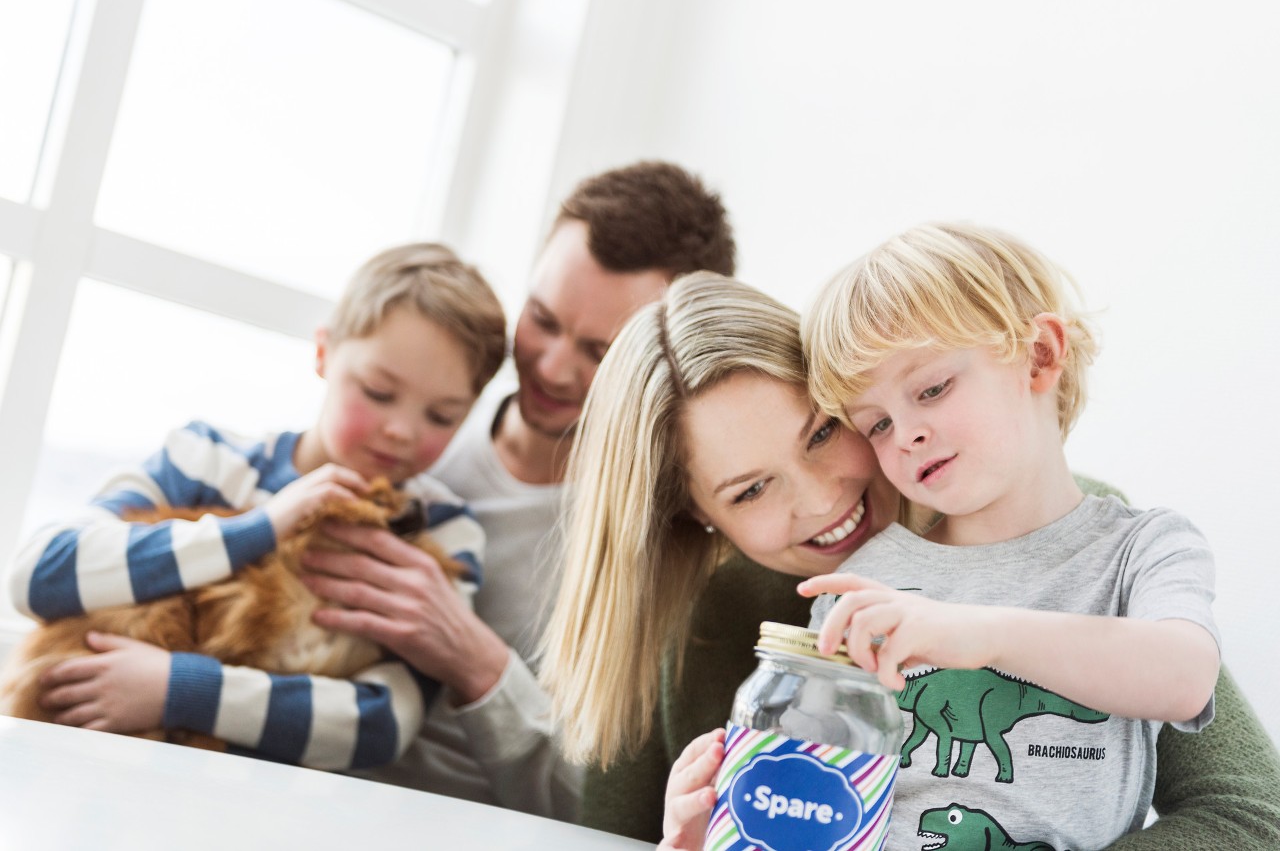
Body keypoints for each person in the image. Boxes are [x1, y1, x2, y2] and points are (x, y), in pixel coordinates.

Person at [539, 273, 1280, 848]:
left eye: (826, 431)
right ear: (697, 516)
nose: (824, 498)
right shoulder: (696, 614)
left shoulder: (1080, 535)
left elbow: (1248, 812)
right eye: (753, 488)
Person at [298, 160, 737, 818]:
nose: (554, 367)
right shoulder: (414, 440)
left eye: (600, 350)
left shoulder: (666, 550)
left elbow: (608, 812)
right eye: (542, 319)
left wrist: (478, 665)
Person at [7, 243, 506, 771]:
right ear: (324, 353)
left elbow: (379, 726)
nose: (403, 431)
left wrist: (180, 689)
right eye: (379, 392)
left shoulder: (444, 532)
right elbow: (38, 574)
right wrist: (262, 527)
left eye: (443, 415)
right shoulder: (206, 459)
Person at [799, 222, 1217, 847]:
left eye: (932, 388)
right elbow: (814, 787)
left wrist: (977, 632)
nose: (907, 432)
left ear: (1041, 354)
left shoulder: (1147, 548)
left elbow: (1184, 679)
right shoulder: (864, 582)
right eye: (878, 423)